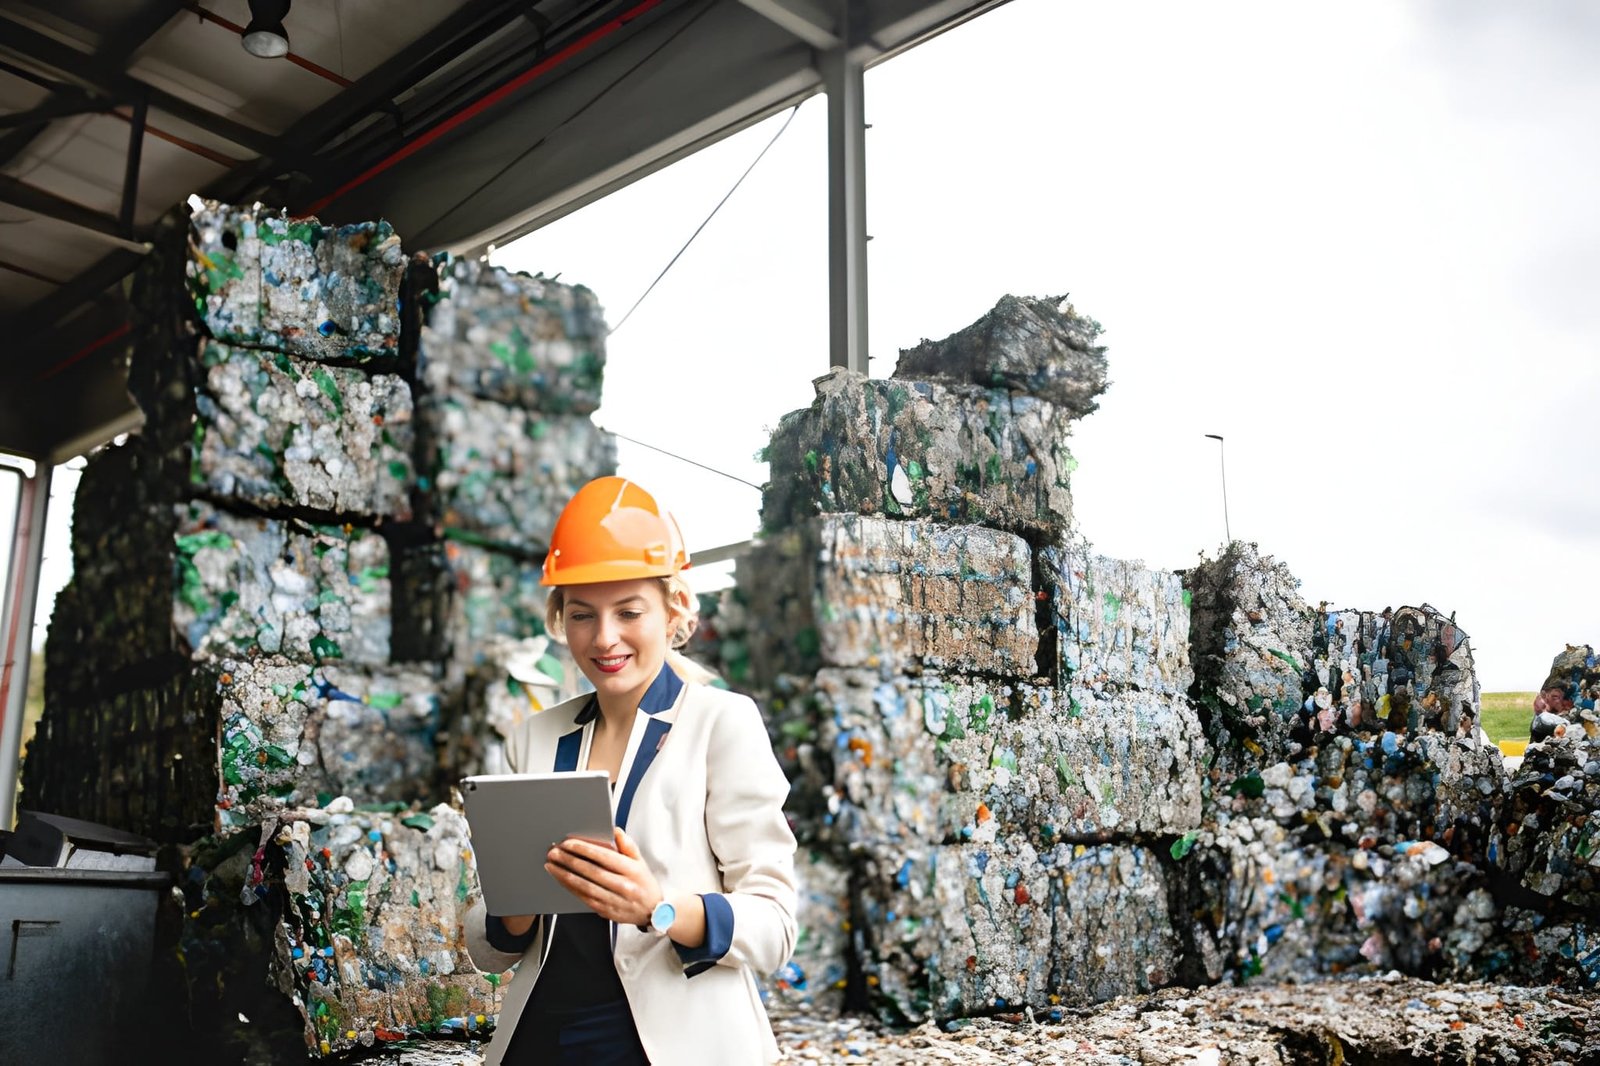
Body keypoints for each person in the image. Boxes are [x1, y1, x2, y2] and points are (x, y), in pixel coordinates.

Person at [464, 476, 798, 1066]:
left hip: (666, 1043)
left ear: (673, 610)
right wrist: (509, 913)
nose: (605, 637)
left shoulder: (722, 724)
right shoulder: (533, 738)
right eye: (582, 614)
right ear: (559, 618)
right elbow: (487, 947)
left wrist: (659, 907)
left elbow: (774, 927)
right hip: (540, 1035)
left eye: (629, 611)